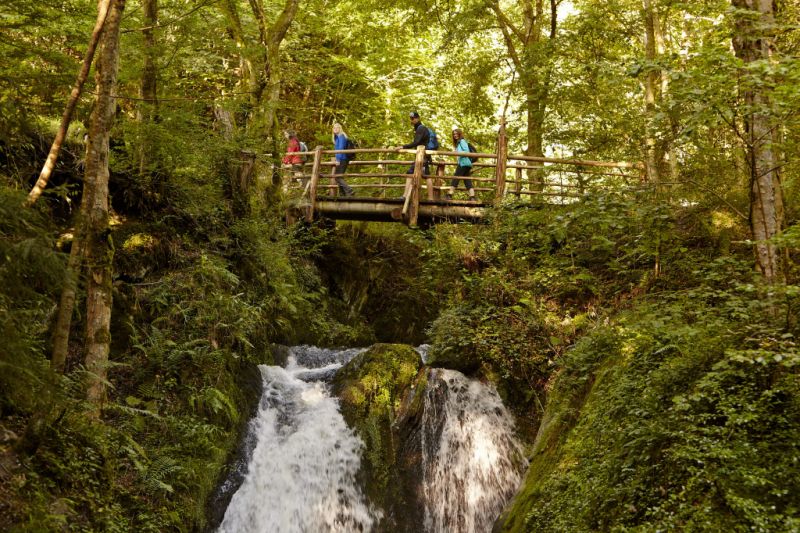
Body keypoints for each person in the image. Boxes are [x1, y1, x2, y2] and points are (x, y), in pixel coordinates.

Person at [393, 111, 431, 200]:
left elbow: (416, 142)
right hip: (424, 156)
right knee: (426, 175)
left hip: (422, 156)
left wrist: (403, 146)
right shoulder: (420, 128)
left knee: (410, 173)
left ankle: (405, 196)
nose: (412, 120)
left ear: (418, 118)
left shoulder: (421, 128)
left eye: (413, 118)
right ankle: (431, 198)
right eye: (411, 118)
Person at [448, 128, 476, 201]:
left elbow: (466, 151)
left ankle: (449, 195)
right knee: (467, 180)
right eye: (454, 134)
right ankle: (472, 197)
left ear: (460, 134)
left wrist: (457, 153)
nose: (455, 135)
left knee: (456, 178)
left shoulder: (462, 141)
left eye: (457, 134)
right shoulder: (458, 143)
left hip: (463, 163)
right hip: (466, 163)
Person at [332, 123, 355, 196]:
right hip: (340, 159)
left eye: (337, 127)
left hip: (343, 159)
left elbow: (341, 149)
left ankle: (349, 190)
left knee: (337, 177)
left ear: (340, 128)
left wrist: (338, 160)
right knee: (338, 177)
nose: (335, 129)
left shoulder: (342, 136)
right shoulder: (337, 137)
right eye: (334, 127)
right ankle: (343, 194)